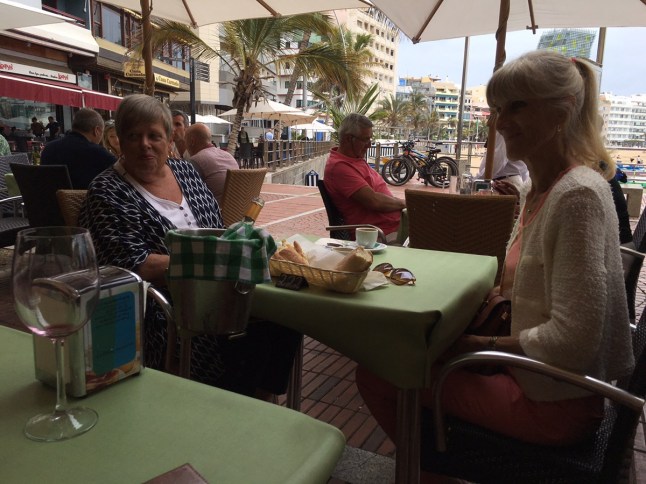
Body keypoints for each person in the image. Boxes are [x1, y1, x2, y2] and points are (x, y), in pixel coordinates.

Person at [357, 50, 634, 474]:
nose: (500, 122)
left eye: (517, 106)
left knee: (378, 374)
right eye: (498, 109)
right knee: (402, 358)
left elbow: (575, 339)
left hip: (554, 402)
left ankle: (429, 472)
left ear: (562, 112)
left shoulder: (577, 195)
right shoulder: (540, 190)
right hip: (534, 378)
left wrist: (474, 346)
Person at [79, 94, 299, 399]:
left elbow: (217, 227)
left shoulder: (186, 171)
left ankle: (259, 401)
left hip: (220, 289)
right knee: (253, 336)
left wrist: (238, 251)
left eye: (154, 135)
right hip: (164, 307)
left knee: (288, 314)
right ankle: (232, 403)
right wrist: (218, 261)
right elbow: (132, 265)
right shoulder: (107, 191)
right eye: (133, 136)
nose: (144, 144)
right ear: (118, 142)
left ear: (170, 140)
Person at [323, 113, 405, 239]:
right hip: (380, 235)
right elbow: (374, 201)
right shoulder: (339, 167)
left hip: (395, 226)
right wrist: (406, 203)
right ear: (348, 139)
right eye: (365, 139)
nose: (369, 145)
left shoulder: (355, 159)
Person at [40, 108, 116, 189]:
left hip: (48, 197)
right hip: (85, 197)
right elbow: (121, 177)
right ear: (97, 130)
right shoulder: (98, 153)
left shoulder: (48, 149)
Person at [185, 122, 239, 205]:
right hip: (237, 208)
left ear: (192, 141)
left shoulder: (196, 160)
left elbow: (186, 192)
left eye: (185, 140)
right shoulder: (228, 155)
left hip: (214, 210)